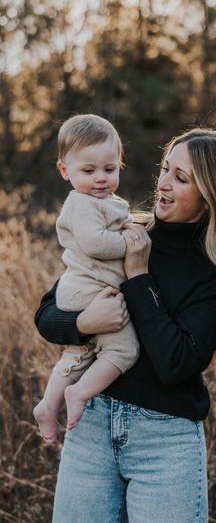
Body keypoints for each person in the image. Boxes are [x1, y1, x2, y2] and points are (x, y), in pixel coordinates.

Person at [34, 128, 216, 523]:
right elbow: (46, 314)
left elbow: (174, 361)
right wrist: (81, 323)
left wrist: (138, 275)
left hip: (164, 445)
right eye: (165, 169)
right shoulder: (124, 233)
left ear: (211, 196)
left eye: (180, 178)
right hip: (91, 426)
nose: (162, 183)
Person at [33, 114, 139, 443]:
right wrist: (130, 244)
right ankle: (78, 394)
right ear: (65, 171)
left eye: (110, 169)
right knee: (123, 351)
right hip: (87, 293)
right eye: (88, 171)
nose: (101, 179)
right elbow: (95, 243)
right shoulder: (80, 204)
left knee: (77, 354)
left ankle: (48, 405)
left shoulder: (106, 202)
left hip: (83, 291)